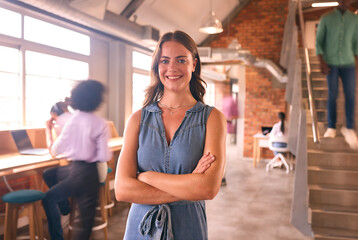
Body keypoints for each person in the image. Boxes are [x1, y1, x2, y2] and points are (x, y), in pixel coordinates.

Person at [114, 31, 226, 240]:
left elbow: (208, 188)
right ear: (157, 67)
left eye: (181, 60)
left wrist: (147, 178)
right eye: (165, 60)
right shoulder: (137, 119)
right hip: (141, 228)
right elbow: (122, 190)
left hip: (188, 227)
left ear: (193, 64)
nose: (172, 68)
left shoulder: (212, 118)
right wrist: (190, 184)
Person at [42, 80, 112, 240]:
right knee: (85, 227)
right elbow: (104, 156)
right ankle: (66, 207)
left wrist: (50, 131)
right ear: (97, 100)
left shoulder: (71, 121)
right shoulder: (100, 123)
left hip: (77, 171)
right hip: (93, 174)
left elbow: (55, 151)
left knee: (48, 197)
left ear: (76, 99)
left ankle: (59, 229)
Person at [316, 0, 358, 149]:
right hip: (331, 63)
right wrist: (321, 61)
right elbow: (319, 42)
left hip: (348, 63)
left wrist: (357, 62)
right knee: (333, 94)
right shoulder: (326, 18)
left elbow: (356, 42)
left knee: (350, 95)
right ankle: (331, 127)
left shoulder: (355, 20)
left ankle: (349, 128)